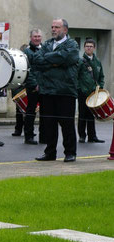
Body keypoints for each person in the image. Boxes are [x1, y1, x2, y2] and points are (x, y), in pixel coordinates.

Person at [33, 18, 79, 162]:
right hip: (48, 91)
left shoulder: (72, 44)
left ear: (65, 29)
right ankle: (50, 153)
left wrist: (48, 60)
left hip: (65, 91)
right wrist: (56, 62)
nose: (53, 29)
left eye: (57, 27)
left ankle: (70, 153)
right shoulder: (46, 44)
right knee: (49, 124)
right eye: (52, 27)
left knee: (67, 124)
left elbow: (68, 57)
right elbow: (37, 60)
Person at [77, 38, 105, 143]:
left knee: (92, 115)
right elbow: (76, 76)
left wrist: (100, 87)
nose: (89, 48)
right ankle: (82, 136)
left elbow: (101, 76)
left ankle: (92, 136)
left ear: (94, 48)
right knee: (82, 114)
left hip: (94, 93)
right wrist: (79, 88)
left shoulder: (97, 62)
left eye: (91, 46)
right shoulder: (80, 61)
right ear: (84, 48)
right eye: (87, 46)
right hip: (82, 92)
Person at [23, 29, 44, 145]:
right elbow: (27, 70)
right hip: (33, 87)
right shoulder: (27, 52)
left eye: (39, 36)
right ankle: (28, 136)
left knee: (45, 113)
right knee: (31, 111)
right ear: (31, 37)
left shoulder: (45, 49)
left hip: (44, 87)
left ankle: (44, 136)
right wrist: (35, 84)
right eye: (35, 36)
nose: (37, 38)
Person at [11, 44, 29, 137]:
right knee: (19, 111)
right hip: (19, 88)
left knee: (27, 111)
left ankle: (25, 130)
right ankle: (18, 129)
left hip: (27, 88)